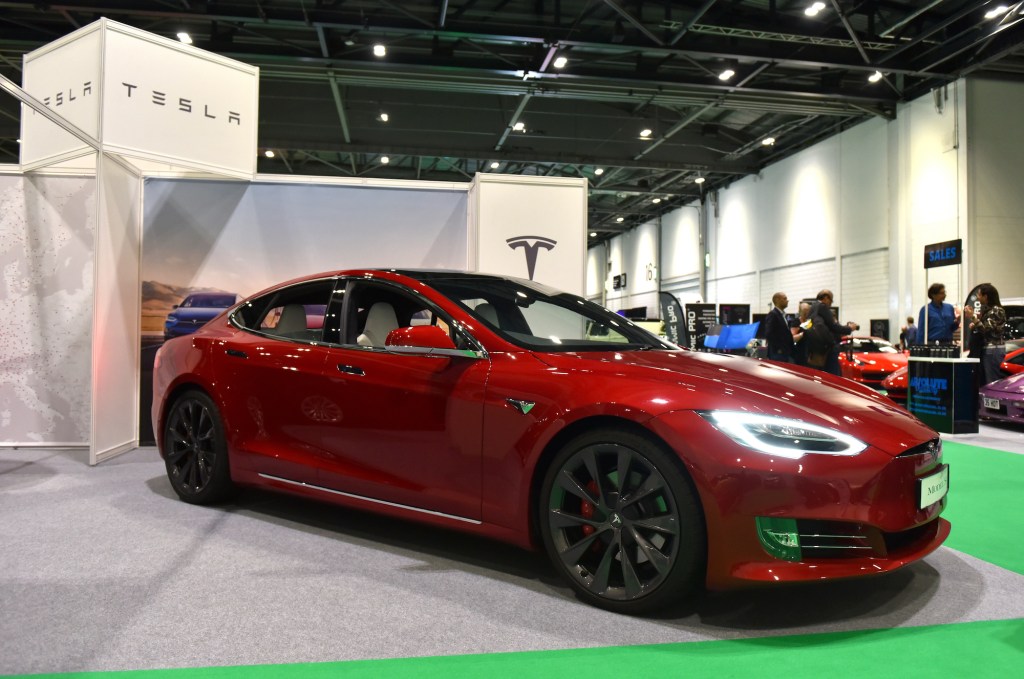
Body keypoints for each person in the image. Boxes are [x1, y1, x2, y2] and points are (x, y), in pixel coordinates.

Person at [808, 289, 859, 376]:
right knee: (833, 375)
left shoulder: (812, 308)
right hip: (829, 348)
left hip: (817, 349)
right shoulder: (822, 307)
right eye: (831, 300)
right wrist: (850, 328)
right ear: (826, 298)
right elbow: (834, 327)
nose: (831, 304)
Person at [963, 283, 1006, 384]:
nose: (977, 298)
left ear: (985, 296)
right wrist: (975, 324)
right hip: (989, 350)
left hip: (993, 350)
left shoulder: (997, 310)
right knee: (987, 380)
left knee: (992, 381)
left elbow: (987, 330)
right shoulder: (990, 311)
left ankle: (994, 400)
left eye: (979, 295)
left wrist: (973, 317)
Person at [764, 292, 797, 362]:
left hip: (785, 352)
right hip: (778, 353)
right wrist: (779, 348)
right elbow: (769, 334)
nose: (787, 300)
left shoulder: (783, 315)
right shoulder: (773, 315)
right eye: (785, 298)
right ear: (777, 300)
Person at [791, 301, 811, 366]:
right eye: (804, 310)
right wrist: (802, 334)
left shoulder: (811, 322)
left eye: (808, 310)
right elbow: (793, 338)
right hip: (800, 353)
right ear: (800, 311)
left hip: (810, 353)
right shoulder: (796, 322)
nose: (806, 313)